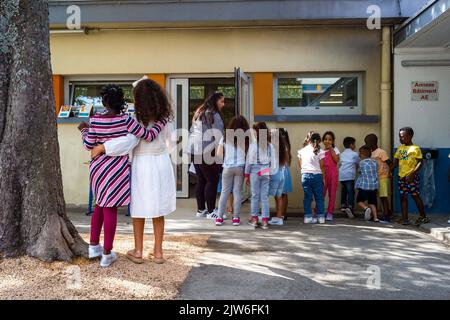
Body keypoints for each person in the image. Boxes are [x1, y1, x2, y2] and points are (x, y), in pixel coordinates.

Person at [78, 84, 166, 267]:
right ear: (121, 102)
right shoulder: (127, 120)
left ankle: (94, 246)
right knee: (110, 209)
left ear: (104, 101)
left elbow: (88, 145)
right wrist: (161, 123)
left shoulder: (95, 120)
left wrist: (84, 129)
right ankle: (107, 254)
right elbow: (148, 136)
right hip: (117, 170)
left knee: (99, 205)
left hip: (98, 169)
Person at [189, 92, 225, 219]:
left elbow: (191, 130)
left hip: (194, 149)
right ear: (215, 102)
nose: (223, 104)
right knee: (212, 180)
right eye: (221, 101)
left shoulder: (199, 112)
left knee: (201, 180)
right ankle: (211, 211)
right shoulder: (213, 114)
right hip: (207, 150)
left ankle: (201, 210)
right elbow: (219, 135)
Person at [215, 115, 250, 226]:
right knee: (237, 192)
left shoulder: (225, 137)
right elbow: (249, 154)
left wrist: (227, 157)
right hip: (240, 167)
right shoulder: (246, 138)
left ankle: (219, 218)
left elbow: (219, 154)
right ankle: (235, 218)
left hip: (227, 167)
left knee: (224, 192)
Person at [392, 127, 430, 226]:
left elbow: (420, 163)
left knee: (415, 196)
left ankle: (423, 217)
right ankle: (405, 219)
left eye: (403, 137)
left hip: (411, 178)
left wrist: (412, 173)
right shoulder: (400, 149)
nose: (401, 139)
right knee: (403, 197)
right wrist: (389, 170)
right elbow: (395, 163)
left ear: (410, 136)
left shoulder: (415, 148)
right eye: (399, 137)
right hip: (401, 177)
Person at [245, 122, 277, 230]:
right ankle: (264, 221)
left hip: (255, 172)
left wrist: (246, 174)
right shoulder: (270, 146)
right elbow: (273, 161)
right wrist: (270, 172)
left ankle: (254, 219)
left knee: (255, 196)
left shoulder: (253, 145)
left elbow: (249, 161)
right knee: (265, 197)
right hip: (265, 171)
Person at [298, 132, 326, 224]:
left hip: (305, 176)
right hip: (317, 176)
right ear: (319, 141)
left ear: (309, 140)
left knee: (307, 197)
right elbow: (322, 166)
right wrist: (324, 178)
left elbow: (301, 165)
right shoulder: (321, 152)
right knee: (319, 197)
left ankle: (308, 217)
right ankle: (321, 217)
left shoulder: (302, 151)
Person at [365, 133, 393, 222]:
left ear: (373, 142)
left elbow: (390, 163)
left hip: (382, 178)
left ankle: (386, 215)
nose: (366, 145)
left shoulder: (381, 152)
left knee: (383, 196)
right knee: (374, 197)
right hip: (374, 179)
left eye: (367, 143)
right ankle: (375, 215)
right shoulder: (370, 153)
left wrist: (390, 172)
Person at [268, 129, 290, 226]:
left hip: (275, 173)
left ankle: (275, 216)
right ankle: (279, 216)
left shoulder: (272, 147)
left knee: (272, 196)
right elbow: (287, 161)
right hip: (283, 173)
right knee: (280, 196)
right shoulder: (283, 147)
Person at [355, 146, 379, 222]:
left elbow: (359, 171)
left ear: (362, 155)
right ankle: (375, 218)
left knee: (359, 200)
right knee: (372, 203)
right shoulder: (375, 162)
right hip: (374, 186)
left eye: (360, 154)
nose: (359, 155)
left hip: (364, 186)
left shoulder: (361, 163)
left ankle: (366, 208)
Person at [339, 137, 360, 218]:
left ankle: (343, 205)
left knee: (343, 190)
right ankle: (350, 206)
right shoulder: (355, 154)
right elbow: (358, 162)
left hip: (342, 175)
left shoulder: (342, 154)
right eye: (354, 144)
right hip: (349, 175)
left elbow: (341, 162)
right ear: (351, 145)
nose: (355, 146)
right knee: (351, 191)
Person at [322, 131, 340, 221]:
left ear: (333, 141)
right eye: (325, 139)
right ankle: (318, 210)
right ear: (323, 141)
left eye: (330, 139)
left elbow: (336, 160)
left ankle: (330, 213)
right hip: (324, 174)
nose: (327, 141)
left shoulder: (335, 149)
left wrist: (331, 149)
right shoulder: (321, 151)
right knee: (321, 193)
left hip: (333, 174)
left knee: (332, 194)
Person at [280, 128, 293, 221]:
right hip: (285, 170)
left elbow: (287, 161)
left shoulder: (283, 147)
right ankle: (282, 213)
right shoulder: (286, 146)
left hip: (282, 170)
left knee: (282, 194)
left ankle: (281, 214)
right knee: (283, 194)